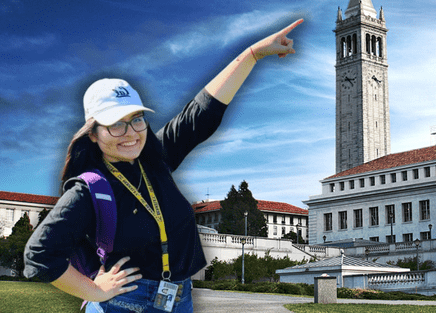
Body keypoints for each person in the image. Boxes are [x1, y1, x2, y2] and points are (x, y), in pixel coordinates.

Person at [23, 19, 303, 312]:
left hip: (178, 298)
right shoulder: (89, 188)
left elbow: (201, 112)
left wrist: (252, 55)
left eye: (137, 119)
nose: (131, 132)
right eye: (115, 124)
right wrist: (93, 290)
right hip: (125, 303)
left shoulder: (155, 158)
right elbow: (40, 255)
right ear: (93, 133)